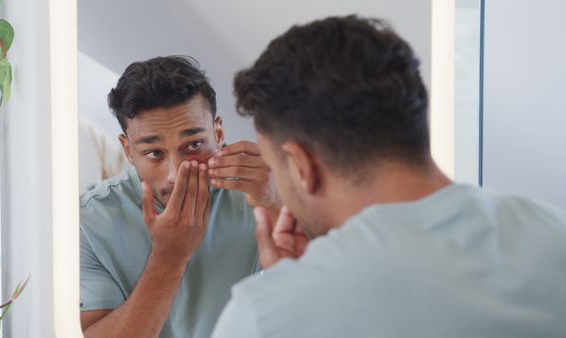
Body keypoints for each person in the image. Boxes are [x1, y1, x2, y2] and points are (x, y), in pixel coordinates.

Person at [212, 15, 566, 338]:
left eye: (276, 169)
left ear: (301, 167)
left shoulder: (264, 314)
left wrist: (287, 291)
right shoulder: (554, 234)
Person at [79, 56, 278, 338]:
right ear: (127, 150)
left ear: (218, 132)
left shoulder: (259, 190)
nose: (176, 173)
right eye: (154, 153)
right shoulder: (88, 223)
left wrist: (280, 203)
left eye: (194, 145)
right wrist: (169, 257)